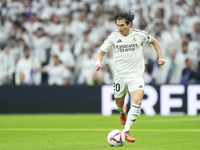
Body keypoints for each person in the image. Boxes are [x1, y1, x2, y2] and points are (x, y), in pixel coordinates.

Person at [95, 9, 165, 142]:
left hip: (136, 76)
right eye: (117, 25)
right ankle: (122, 112)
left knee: (138, 101)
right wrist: (98, 62)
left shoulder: (140, 35)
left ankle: (126, 131)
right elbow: (101, 52)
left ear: (130, 24)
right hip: (120, 76)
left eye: (122, 25)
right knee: (119, 105)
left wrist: (160, 57)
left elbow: (155, 42)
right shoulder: (113, 37)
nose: (119, 28)